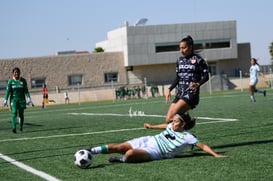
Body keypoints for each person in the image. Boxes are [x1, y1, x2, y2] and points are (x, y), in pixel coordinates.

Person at [89, 112, 226, 163]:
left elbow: (203, 146)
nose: (172, 123)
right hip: (148, 140)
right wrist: (151, 126)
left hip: (155, 152)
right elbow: (164, 126)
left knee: (129, 154)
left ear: (183, 124)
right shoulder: (171, 126)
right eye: (172, 121)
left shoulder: (188, 137)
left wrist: (215, 154)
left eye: (175, 121)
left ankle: (121, 160)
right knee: (119, 147)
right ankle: (91, 150)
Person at [165, 35, 209, 123]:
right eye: (180, 48)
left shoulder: (198, 60)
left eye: (184, 48)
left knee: (173, 117)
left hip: (191, 94)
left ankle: (186, 127)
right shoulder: (179, 60)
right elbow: (178, 77)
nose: (181, 50)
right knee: (168, 120)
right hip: (180, 94)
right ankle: (187, 126)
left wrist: (197, 84)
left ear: (190, 47)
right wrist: (170, 89)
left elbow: (206, 76)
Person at [2, 67, 34, 133]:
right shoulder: (10, 82)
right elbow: (8, 92)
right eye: (15, 72)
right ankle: (14, 128)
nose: (16, 73)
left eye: (17, 72)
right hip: (14, 99)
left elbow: (26, 91)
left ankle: (21, 127)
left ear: (19, 73)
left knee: (21, 114)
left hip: (21, 99)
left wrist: (29, 98)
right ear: (13, 73)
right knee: (14, 113)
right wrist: (5, 100)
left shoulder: (23, 81)